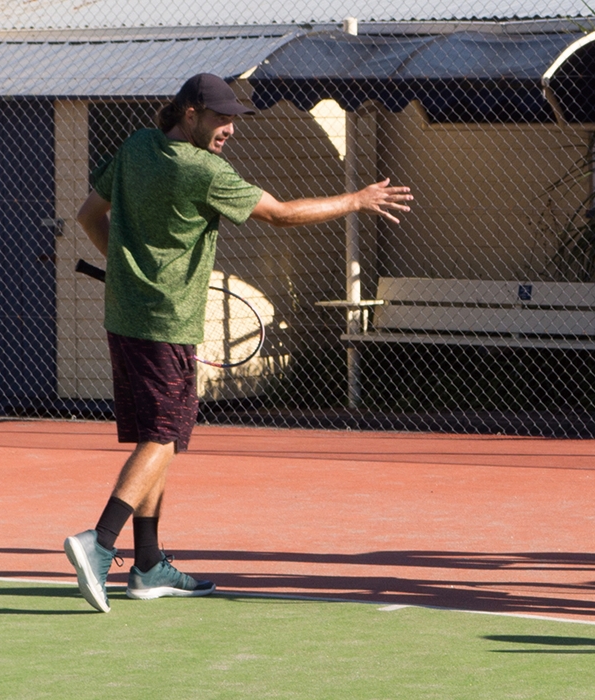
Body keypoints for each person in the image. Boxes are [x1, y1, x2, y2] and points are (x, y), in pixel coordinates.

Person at [63, 73, 413, 612]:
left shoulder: (136, 146)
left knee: (156, 441)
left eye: (234, 119)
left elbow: (89, 217)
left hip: (125, 318)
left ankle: (149, 564)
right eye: (220, 118)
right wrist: (357, 200)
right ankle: (99, 542)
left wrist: (131, 273)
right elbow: (281, 215)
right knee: (163, 436)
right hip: (165, 325)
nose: (229, 129)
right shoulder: (204, 171)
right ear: (189, 114)